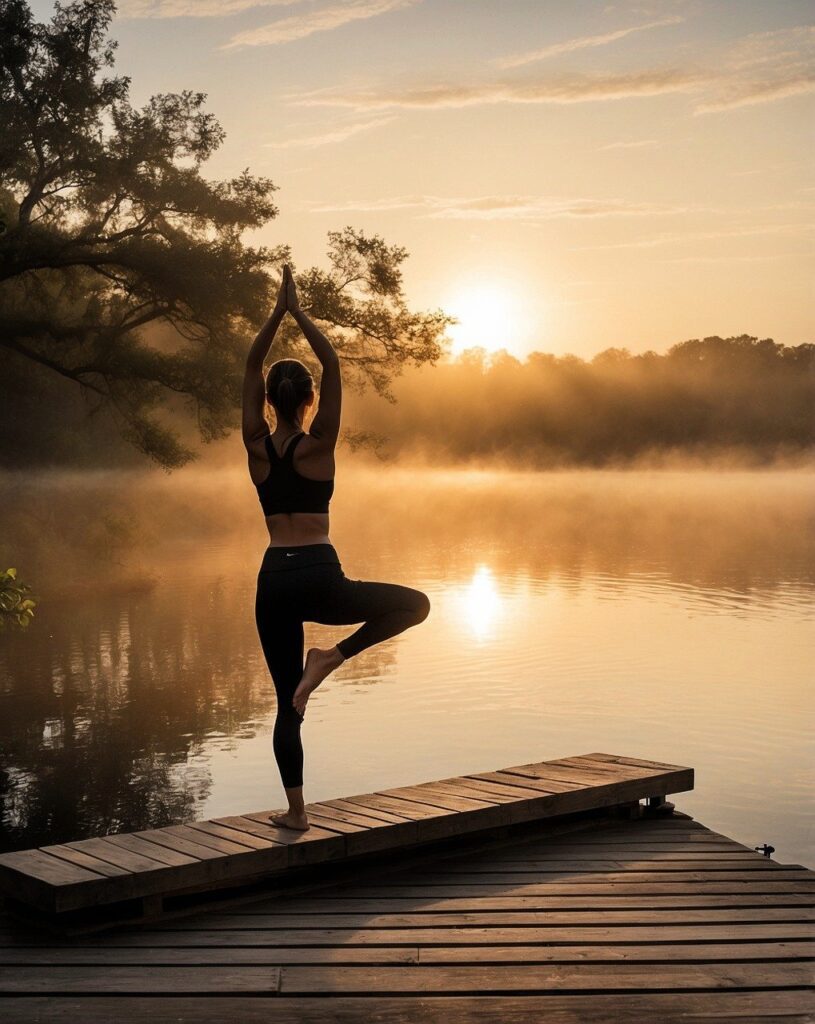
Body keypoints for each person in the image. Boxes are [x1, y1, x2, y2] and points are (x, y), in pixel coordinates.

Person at [242, 265, 431, 831]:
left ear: (270, 399)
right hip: (321, 576)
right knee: (415, 604)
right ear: (310, 399)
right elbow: (334, 365)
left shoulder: (256, 447)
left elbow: (252, 365)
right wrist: (300, 311)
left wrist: (275, 314)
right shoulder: (318, 446)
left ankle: (297, 813)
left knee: (285, 702)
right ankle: (329, 660)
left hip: (274, 577)